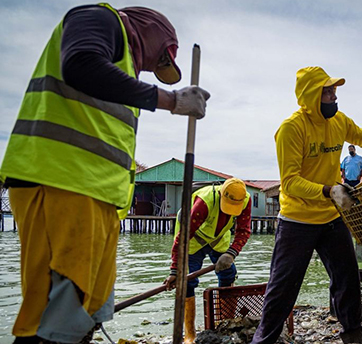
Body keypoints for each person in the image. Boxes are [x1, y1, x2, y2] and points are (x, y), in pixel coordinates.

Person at [0, 4, 210, 343]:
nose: (147, 68)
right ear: (151, 34)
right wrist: (170, 101)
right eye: (158, 59)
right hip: (59, 180)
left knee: (86, 306)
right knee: (54, 311)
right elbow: (80, 65)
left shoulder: (123, 73)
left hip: (93, 194)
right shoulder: (99, 18)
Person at [251, 66, 362, 344]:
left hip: (331, 217)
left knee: (347, 277)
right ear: (310, 96)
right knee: (282, 288)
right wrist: (330, 190)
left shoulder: (338, 120)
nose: (334, 95)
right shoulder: (291, 129)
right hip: (297, 220)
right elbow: (290, 183)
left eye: (334, 90)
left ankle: (353, 336)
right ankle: (263, 341)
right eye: (327, 91)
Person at [163, 178, 252, 343]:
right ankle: (190, 334)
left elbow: (244, 230)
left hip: (218, 239)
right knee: (188, 281)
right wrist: (175, 270)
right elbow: (182, 239)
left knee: (228, 274)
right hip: (193, 239)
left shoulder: (245, 200)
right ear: (221, 195)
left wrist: (231, 253)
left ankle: (224, 324)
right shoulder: (204, 203)